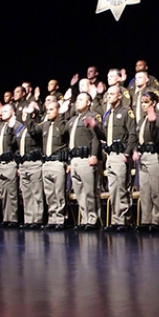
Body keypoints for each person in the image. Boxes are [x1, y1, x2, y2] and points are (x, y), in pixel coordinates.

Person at [99, 85, 138, 231]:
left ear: (120, 96)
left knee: (122, 188)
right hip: (110, 155)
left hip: (121, 155)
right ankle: (116, 219)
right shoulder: (108, 114)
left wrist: (127, 153)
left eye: (112, 94)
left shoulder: (126, 112)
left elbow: (133, 134)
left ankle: (124, 221)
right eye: (107, 94)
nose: (109, 96)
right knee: (113, 189)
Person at [66, 93, 103, 230]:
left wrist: (94, 155)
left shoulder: (92, 116)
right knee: (79, 193)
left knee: (90, 191)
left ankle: (93, 220)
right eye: (77, 99)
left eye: (81, 99)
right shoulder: (73, 120)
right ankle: (85, 219)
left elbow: (96, 138)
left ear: (88, 102)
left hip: (86, 158)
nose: (77, 101)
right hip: (75, 159)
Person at [134, 91, 159, 232]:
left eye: (146, 102)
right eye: (142, 102)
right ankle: (146, 220)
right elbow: (136, 138)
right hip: (143, 156)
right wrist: (135, 150)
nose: (143, 105)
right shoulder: (142, 120)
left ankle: (156, 220)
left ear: (153, 103)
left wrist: (153, 123)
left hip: (155, 155)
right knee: (144, 190)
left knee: (155, 190)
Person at [40, 100, 71, 229]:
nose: (49, 112)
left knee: (59, 193)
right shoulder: (45, 125)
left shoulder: (62, 124)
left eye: (52, 109)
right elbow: (33, 131)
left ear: (58, 110)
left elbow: (65, 135)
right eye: (47, 110)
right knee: (49, 194)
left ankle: (60, 219)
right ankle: (52, 218)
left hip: (58, 162)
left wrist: (61, 116)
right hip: (47, 162)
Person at [0, 104, 22, 228]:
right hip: (0, 163)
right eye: (2, 111)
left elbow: (19, 146)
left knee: (12, 192)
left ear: (12, 112)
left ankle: (13, 219)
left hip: (11, 163)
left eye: (5, 111)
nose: (2, 113)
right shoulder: (0, 126)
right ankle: (6, 217)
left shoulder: (17, 126)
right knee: (4, 193)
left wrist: (19, 164)